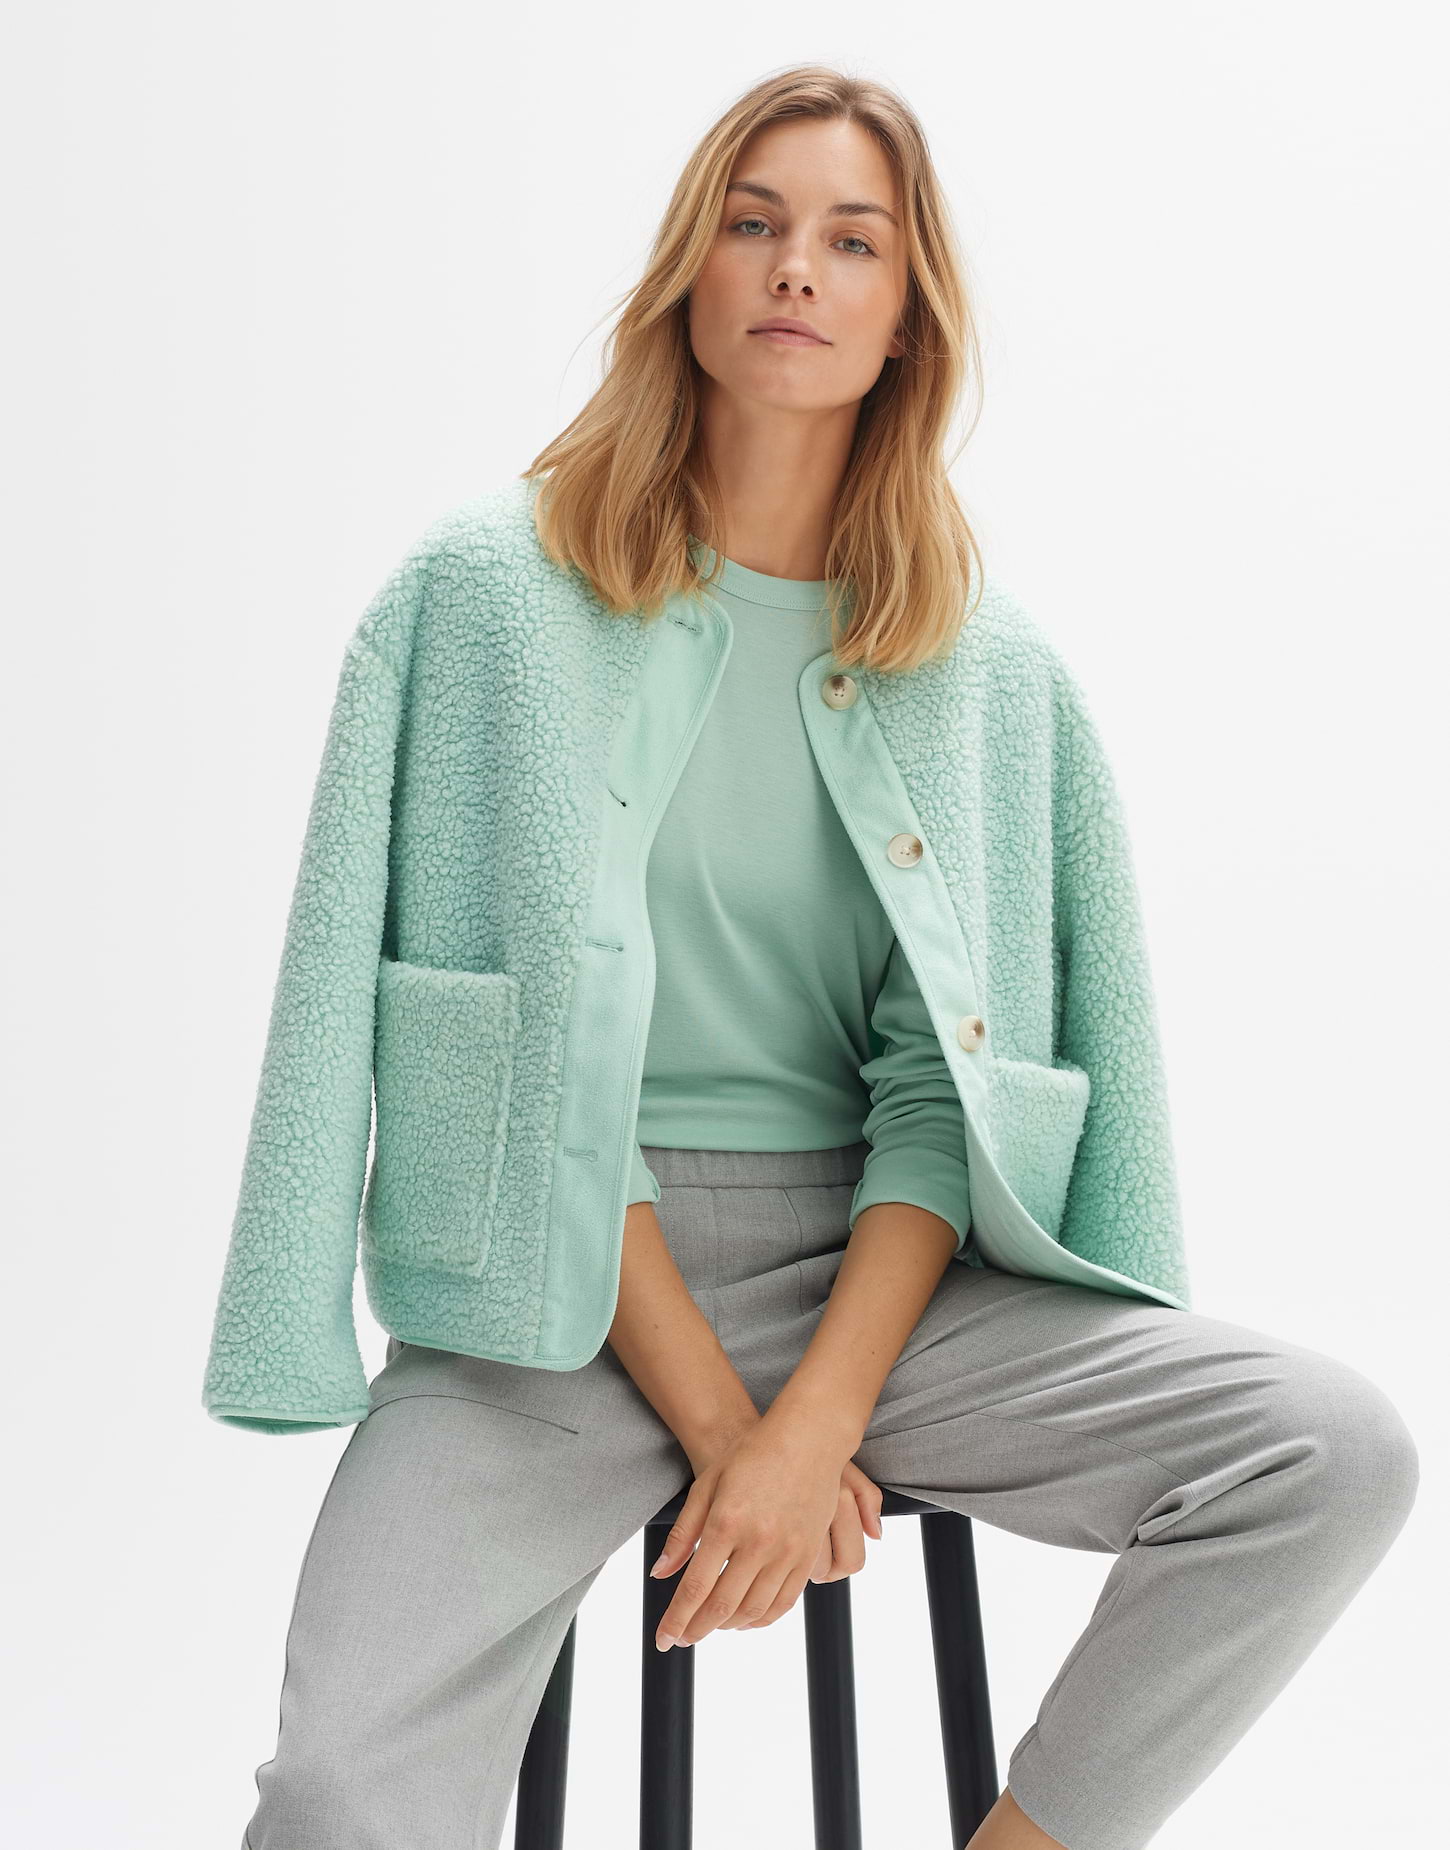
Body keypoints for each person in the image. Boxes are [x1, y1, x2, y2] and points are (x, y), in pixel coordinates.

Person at [207, 66, 1419, 1850]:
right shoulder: (483, 598)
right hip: (543, 1293)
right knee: (333, 1796)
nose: (796, 268)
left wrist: (814, 1418)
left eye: (853, 241)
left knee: (1329, 1452)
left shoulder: (980, 666)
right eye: (754, 224)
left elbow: (943, 1085)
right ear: (688, 273)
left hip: (877, 1278)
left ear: (905, 315)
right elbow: (517, 1068)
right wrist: (727, 1428)